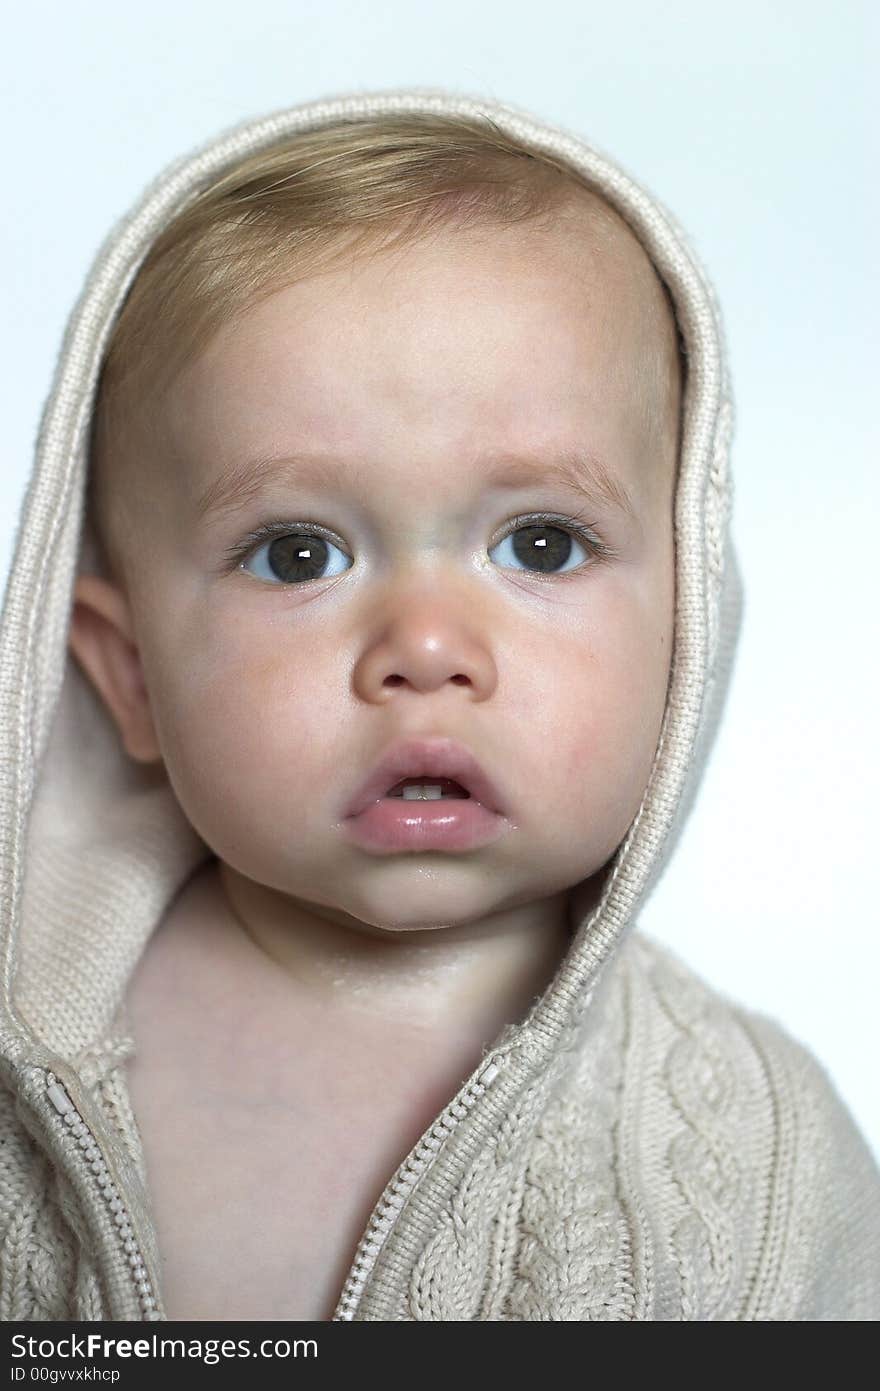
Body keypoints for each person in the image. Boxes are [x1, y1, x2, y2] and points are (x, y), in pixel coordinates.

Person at [1, 87, 878, 1324]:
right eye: (298, 554)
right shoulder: (22, 1057)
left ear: (687, 617)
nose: (423, 647)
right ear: (129, 671)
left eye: (540, 542)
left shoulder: (761, 1149)